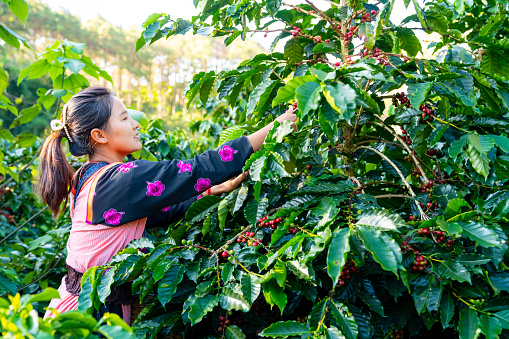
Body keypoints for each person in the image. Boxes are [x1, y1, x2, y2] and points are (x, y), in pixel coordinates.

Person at [38, 86, 297, 325]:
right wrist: (275, 127)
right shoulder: (120, 179)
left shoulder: (89, 175)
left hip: (82, 301)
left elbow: (155, 214)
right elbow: (195, 170)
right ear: (99, 135)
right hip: (89, 313)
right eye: (125, 118)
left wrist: (212, 190)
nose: (136, 124)